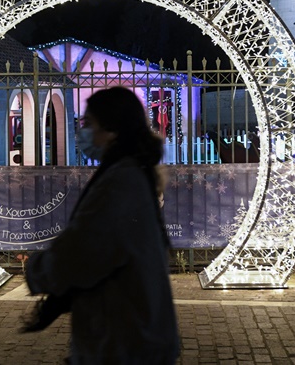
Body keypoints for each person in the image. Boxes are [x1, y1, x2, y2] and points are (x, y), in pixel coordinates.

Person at [23, 86, 180, 364]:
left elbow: (83, 252)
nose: (83, 132)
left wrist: (37, 268)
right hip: (133, 334)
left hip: (124, 341)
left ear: (111, 129)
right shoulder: (128, 173)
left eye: (88, 124)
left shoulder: (120, 182)